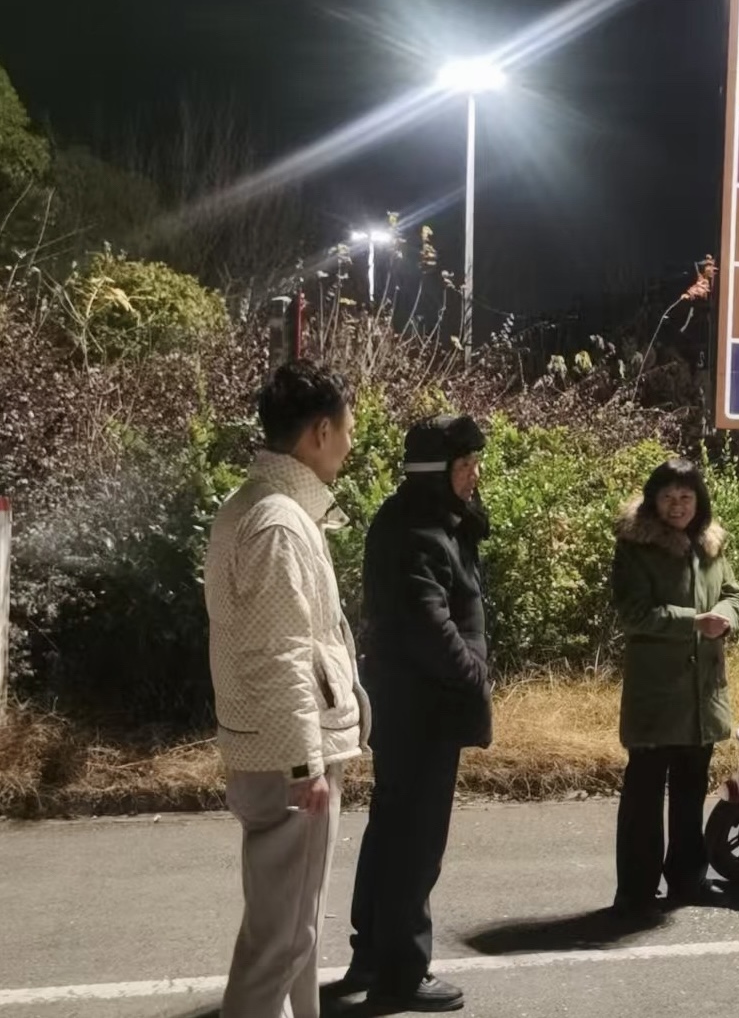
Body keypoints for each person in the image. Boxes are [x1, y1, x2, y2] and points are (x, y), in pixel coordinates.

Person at [204, 360, 367, 1018]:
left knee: (295, 930)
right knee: (282, 940)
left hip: (275, 749)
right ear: (320, 432)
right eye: (348, 429)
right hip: (288, 760)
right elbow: (279, 654)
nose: (351, 444)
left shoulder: (260, 506)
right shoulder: (278, 522)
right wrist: (305, 763)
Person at [341, 415, 492, 1012]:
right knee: (415, 842)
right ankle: (401, 973)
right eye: (465, 465)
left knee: (392, 829)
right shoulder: (419, 528)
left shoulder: (425, 516)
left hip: (410, 705)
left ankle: (373, 954)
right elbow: (430, 625)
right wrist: (475, 676)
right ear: (436, 471)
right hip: (423, 708)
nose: (475, 475)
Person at [611, 458, 739, 915]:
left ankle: (688, 880)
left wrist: (725, 616)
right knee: (644, 795)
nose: (677, 506)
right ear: (653, 500)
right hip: (657, 692)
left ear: (698, 501)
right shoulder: (635, 546)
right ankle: (636, 890)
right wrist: (693, 621)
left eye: (686, 497)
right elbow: (633, 614)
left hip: (702, 693)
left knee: (690, 792)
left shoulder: (711, 545)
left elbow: (733, 595)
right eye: (668, 497)